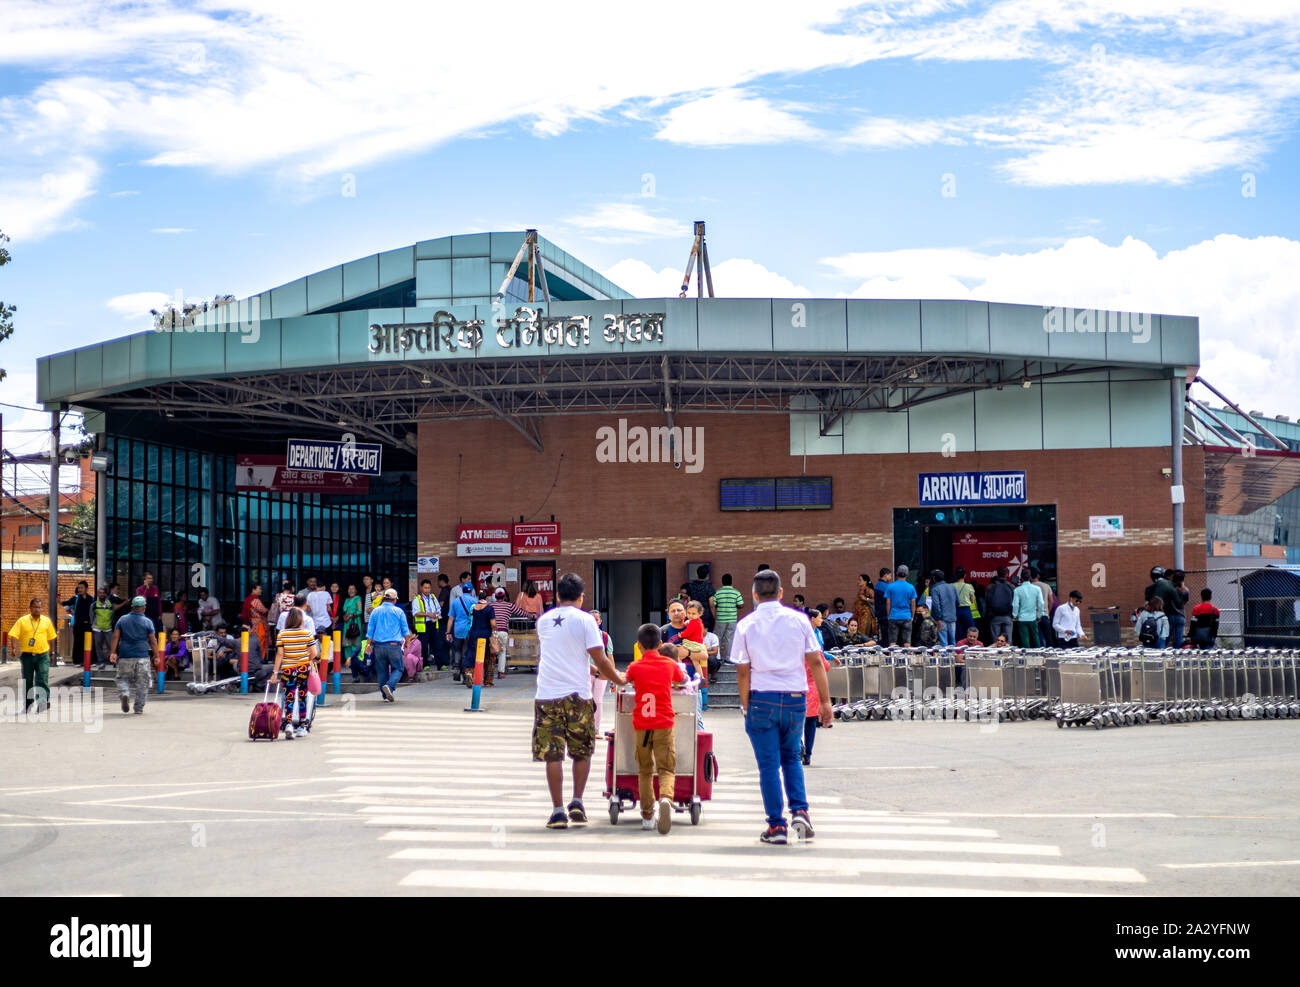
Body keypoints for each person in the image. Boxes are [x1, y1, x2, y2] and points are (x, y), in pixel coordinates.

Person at [732, 569, 831, 845]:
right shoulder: (800, 620)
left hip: (761, 698)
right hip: (795, 698)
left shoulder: (746, 625)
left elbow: (742, 671)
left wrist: (746, 706)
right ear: (781, 593)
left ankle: (776, 827)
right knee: (791, 757)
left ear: (754, 594)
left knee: (768, 766)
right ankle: (800, 811)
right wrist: (825, 701)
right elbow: (815, 663)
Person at [533, 572, 625, 829]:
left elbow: (564, 657)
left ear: (558, 596)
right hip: (578, 696)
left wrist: (597, 671)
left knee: (553, 756)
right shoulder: (586, 620)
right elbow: (600, 658)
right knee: (581, 751)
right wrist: (619, 679)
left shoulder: (544, 620)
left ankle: (557, 811)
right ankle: (577, 802)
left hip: (546, 695)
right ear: (581, 597)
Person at [623, 623, 684, 834]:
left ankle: (647, 816)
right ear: (660, 644)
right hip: (664, 723)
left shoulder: (634, 666)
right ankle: (666, 799)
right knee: (666, 768)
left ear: (639, 646)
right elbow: (683, 679)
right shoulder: (669, 664)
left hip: (642, 724)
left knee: (645, 770)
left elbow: (625, 680)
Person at [271, 608, 319, 739]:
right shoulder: (307, 633)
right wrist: (305, 660)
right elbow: (314, 654)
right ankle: (302, 727)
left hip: (288, 669)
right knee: (302, 696)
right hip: (303, 668)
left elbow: (280, 654)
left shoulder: (282, 634)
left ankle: (288, 725)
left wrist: (275, 672)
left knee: (289, 696)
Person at [109, 596, 160, 715]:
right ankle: (138, 708)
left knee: (122, 678)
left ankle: (125, 693)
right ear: (144, 608)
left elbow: (116, 636)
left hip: (125, 656)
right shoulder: (147, 622)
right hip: (142, 656)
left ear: (132, 607)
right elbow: (153, 641)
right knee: (143, 683)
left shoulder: (122, 619)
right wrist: (156, 656)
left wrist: (113, 652)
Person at [8, 598, 59, 713]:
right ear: (30, 608)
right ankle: (28, 704)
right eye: (35, 607)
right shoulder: (22, 621)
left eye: (39, 607)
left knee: (42, 678)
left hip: (43, 655)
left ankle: (42, 702)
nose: (37, 609)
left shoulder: (46, 621)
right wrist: (14, 648)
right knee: (28, 680)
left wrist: (51, 653)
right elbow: (14, 635)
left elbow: (51, 638)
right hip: (27, 656)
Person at [365, 587, 410, 702]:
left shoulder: (375, 611)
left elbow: (370, 631)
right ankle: (389, 686)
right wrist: (407, 643)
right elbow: (405, 630)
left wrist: (368, 645)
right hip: (394, 645)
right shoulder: (398, 611)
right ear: (394, 600)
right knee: (398, 668)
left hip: (378, 646)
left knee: (382, 671)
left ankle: (385, 696)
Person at [802, 643, 832, 767]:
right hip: (813, 690)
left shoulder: (792, 649)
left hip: (797, 687)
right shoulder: (814, 649)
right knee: (810, 723)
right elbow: (825, 666)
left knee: (795, 722)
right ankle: (808, 755)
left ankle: (798, 746)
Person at [589, 609, 615, 737]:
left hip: (602, 673)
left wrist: (613, 677)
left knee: (598, 700)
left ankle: (595, 729)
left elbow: (610, 658)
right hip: (586, 672)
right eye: (591, 619)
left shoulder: (605, 637)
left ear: (600, 621)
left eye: (596, 619)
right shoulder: (582, 635)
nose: (594, 622)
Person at [446, 577, 479, 682]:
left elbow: (451, 619)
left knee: (457, 650)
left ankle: (456, 669)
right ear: (471, 591)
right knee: (467, 651)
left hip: (458, 630)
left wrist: (448, 632)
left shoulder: (455, 602)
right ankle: (466, 675)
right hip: (470, 629)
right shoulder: (475, 601)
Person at [463, 589, 496, 688]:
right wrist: (495, 630)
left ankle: (469, 674)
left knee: (472, 654)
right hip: (485, 635)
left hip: (474, 634)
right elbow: (493, 624)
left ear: (478, 598)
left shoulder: (475, 608)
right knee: (489, 657)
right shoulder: (489, 609)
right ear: (487, 598)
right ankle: (487, 681)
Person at [493, 589, 528, 677]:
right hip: (503, 631)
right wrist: (532, 615)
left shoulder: (491, 605)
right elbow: (521, 613)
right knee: (502, 651)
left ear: (495, 596)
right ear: (504, 596)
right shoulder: (509, 605)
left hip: (493, 632)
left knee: (492, 652)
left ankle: (489, 672)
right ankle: (501, 672)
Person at [711, 572, 745, 663]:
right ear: (731, 582)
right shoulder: (736, 592)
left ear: (722, 582)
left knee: (718, 637)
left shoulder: (718, 592)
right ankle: (728, 658)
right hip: (732, 619)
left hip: (720, 619)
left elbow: (714, 604)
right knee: (729, 639)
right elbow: (741, 604)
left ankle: (717, 657)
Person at [411, 579, 441, 670]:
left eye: (428, 588)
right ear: (421, 588)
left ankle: (440, 664)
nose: (427, 590)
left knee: (437, 644)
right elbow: (415, 613)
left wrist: (436, 614)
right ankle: (425, 665)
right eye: (425, 588)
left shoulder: (433, 597)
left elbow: (439, 608)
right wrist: (428, 614)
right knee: (424, 646)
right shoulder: (417, 599)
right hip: (423, 625)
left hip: (433, 623)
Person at [62, 580, 93, 670]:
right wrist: (59, 601)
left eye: (81, 588)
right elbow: (65, 604)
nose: (80, 589)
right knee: (78, 643)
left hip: (88, 624)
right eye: (78, 588)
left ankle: (88, 661)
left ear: (86, 588)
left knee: (88, 643)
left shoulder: (91, 599)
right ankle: (77, 661)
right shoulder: (75, 598)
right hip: (78, 625)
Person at [885, 565, 917, 646]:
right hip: (906, 616)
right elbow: (913, 603)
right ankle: (907, 658)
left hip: (893, 616)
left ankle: (892, 657)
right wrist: (912, 616)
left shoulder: (890, 586)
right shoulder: (911, 587)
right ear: (907, 574)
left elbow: (888, 602)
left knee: (892, 641)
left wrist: (888, 615)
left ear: (896, 573)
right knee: (907, 641)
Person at [341, 584, 367, 678]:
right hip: (347, 624)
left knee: (356, 643)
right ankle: (349, 662)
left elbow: (360, 611)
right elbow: (344, 611)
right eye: (349, 588)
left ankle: (356, 662)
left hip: (355, 623)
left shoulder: (358, 598)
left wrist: (351, 616)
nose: (351, 590)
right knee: (347, 644)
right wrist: (344, 617)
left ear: (356, 591)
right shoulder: (346, 600)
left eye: (353, 589)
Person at [1012, 572, 1044, 648]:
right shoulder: (1037, 589)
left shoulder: (1017, 590)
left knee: (1025, 640)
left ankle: (1026, 657)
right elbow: (1041, 603)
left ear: (1021, 578)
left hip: (1022, 618)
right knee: (1036, 639)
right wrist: (1039, 615)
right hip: (1033, 618)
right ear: (1030, 578)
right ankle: (1038, 655)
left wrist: (1015, 615)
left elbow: (1015, 605)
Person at [985, 568, 1015, 646]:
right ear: (1007, 574)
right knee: (1009, 640)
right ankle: (1009, 656)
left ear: (997, 574)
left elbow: (987, 601)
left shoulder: (991, 587)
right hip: (1008, 616)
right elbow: (1015, 602)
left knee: (995, 641)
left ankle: (996, 656)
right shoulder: (1011, 586)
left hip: (995, 616)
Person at [928, 570, 958, 648]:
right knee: (953, 641)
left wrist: (938, 619)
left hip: (942, 618)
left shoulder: (935, 589)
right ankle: (953, 657)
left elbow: (936, 605)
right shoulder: (952, 587)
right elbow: (958, 602)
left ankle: (945, 659)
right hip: (952, 617)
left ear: (934, 579)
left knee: (944, 642)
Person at [90, 585, 115, 669]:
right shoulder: (94, 605)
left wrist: (110, 624)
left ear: (106, 594)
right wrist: (93, 625)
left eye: (103, 593)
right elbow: (91, 616)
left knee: (111, 646)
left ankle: (112, 661)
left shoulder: (110, 605)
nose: (101, 595)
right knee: (98, 647)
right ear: (97, 594)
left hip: (108, 628)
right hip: (97, 628)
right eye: (100, 593)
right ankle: (101, 662)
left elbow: (113, 616)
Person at [686, 564, 716, 632]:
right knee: (707, 636)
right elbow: (712, 605)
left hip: (694, 615)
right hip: (706, 616)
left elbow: (689, 602)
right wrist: (714, 617)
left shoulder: (690, 586)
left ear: (697, 573)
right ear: (707, 575)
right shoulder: (709, 587)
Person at [241, 583, 268, 657]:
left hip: (251, 623)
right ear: (253, 589)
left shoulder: (248, 598)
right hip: (258, 623)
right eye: (259, 589)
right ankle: (260, 658)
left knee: (253, 641)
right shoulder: (255, 599)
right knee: (260, 641)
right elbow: (263, 610)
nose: (261, 591)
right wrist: (269, 610)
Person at [953, 568, 978, 639]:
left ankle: (959, 646)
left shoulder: (951, 586)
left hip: (955, 610)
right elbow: (972, 600)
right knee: (971, 630)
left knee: (958, 632)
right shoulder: (969, 586)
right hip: (966, 610)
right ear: (965, 575)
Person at [852, 575, 878, 641]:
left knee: (863, 633)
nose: (858, 582)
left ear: (865, 581)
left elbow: (875, 600)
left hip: (866, 615)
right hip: (860, 615)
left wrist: (866, 599)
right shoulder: (860, 590)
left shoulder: (868, 590)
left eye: (860, 580)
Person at [1169, 570, 1190, 649]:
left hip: (1170, 615)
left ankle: (1163, 652)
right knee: (1178, 639)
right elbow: (1184, 602)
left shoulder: (1170, 589)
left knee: (1167, 636)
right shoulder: (1186, 590)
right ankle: (1177, 656)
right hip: (1181, 615)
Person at [873, 568, 893, 640]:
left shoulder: (877, 585)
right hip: (885, 614)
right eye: (890, 575)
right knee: (888, 636)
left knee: (882, 635)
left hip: (879, 614)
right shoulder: (886, 587)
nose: (891, 577)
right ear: (885, 575)